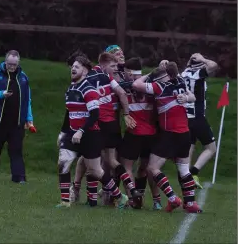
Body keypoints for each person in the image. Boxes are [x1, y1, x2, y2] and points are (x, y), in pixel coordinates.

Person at [56, 56, 128, 209]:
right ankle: (65, 201)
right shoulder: (71, 88)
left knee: (96, 170)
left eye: (77, 67)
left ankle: (120, 196)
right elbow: (68, 113)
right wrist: (63, 133)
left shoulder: (89, 89)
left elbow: (94, 114)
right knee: (63, 163)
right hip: (72, 133)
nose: (73, 69)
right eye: (72, 67)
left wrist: (81, 131)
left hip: (90, 134)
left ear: (85, 70)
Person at [132, 62, 203, 213]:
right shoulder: (180, 81)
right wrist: (187, 97)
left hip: (170, 134)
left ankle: (173, 198)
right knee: (184, 169)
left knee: (152, 167)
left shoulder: (159, 87)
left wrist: (150, 74)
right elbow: (193, 96)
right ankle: (190, 203)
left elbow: (136, 84)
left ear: (163, 77)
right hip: (185, 133)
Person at [0, 50, 34, 183]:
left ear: (18, 63)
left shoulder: (23, 78)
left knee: (16, 149)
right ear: (5, 62)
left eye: (14, 64)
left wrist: (29, 118)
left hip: (17, 122)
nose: (11, 67)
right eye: (9, 64)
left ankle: (19, 177)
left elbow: (27, 100)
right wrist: (1, 94)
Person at [118, 57, 162, 210]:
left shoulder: (131, 84)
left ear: (130, 72)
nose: (123, 75)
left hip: (135, 132)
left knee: (129, 167)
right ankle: (153, 201)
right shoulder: (150, 84)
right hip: (150, 134)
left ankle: (133, 198)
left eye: (126, 72)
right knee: (146, 168)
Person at [180, 53, 219, 189]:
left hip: (185, 116)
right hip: (197, 116)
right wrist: (204, 59)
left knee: (190, 147)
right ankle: (193, 172)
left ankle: (186, 180)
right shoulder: (199, 73)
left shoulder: (183, 73)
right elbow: (213, 65)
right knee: (211, 148)